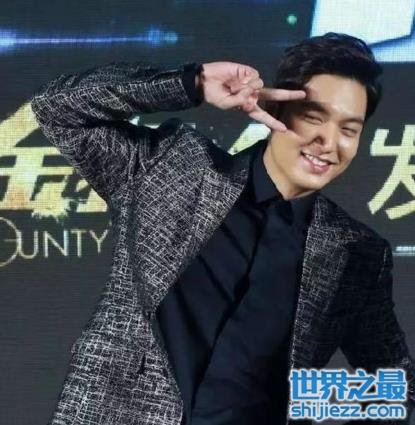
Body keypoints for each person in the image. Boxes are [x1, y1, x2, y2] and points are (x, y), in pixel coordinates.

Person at [31, 32, 414, 425]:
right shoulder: (173, 167)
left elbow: (396, 384)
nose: (328, 142)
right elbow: (55, 108)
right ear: (274, 109)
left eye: (349, 130)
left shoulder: (355, 253)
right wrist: (192, 83)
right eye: (313, 117)